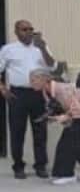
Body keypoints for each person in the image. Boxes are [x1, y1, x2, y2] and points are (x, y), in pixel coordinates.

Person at [28, 68, 80, 185]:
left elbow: (77, 108)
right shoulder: (46, 92)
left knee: (67, 144)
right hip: (77, 115)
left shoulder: (61, 89)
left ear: (45, 79)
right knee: (70, 142)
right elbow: (57, 108)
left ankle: (67, 175)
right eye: (31, 80)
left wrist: (64, 117)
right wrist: (53, 117)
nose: (31, 83)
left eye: (34, 80)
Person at [0, 20, 56, 179]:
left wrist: (43, 47)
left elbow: (52, 66)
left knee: (40, 131)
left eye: (31, 29)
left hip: (38, 94)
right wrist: (3, 89)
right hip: (18, 95)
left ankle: (41, 165)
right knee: (17, 132)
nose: (29, 32)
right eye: (25, 29)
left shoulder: (41, 48)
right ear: (16, 32)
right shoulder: (8, 50)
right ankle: (18, 166)